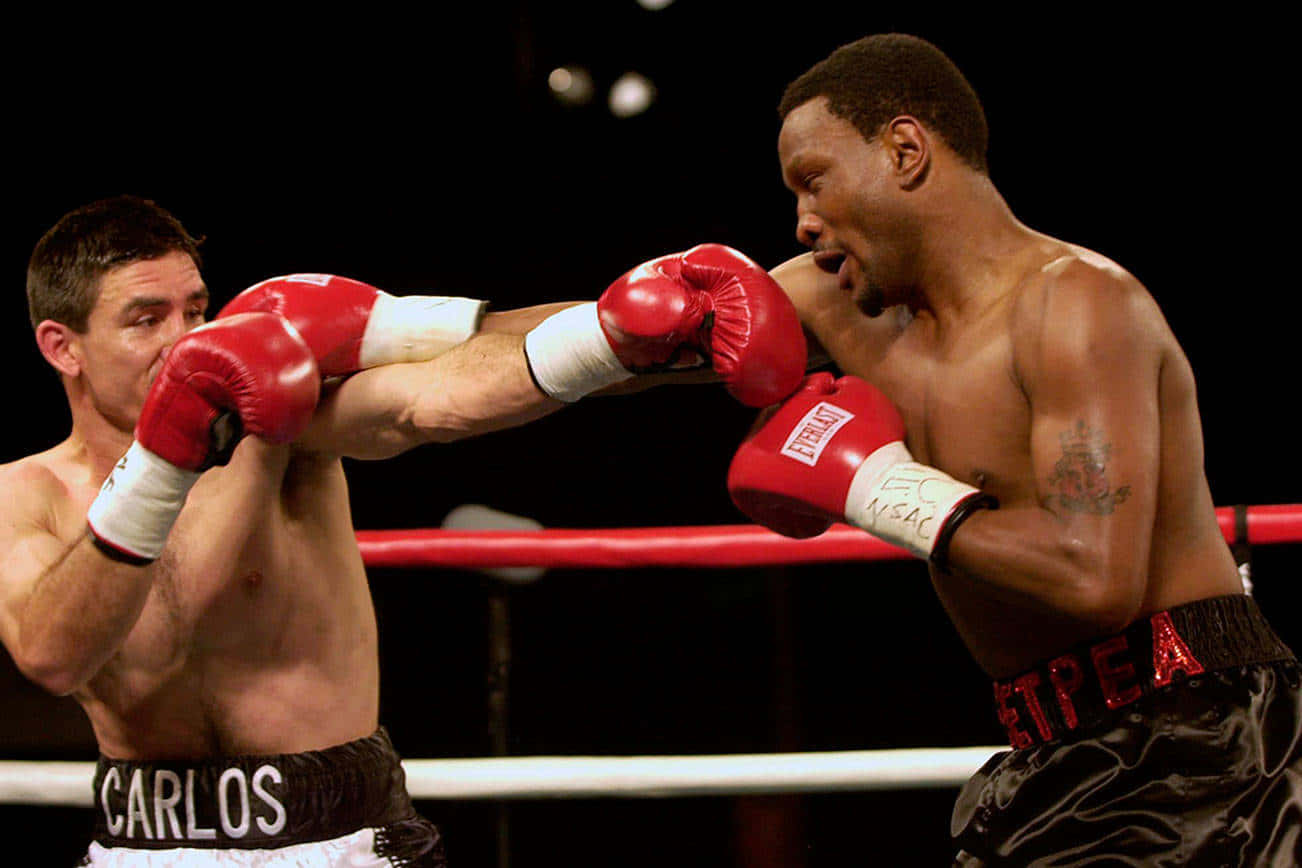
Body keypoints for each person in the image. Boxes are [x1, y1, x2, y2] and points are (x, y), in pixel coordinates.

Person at [0, 195, 805, 866]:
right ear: (60, 347)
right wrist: (165, 454)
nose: (186, 341)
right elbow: (52, 652)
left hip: (340, 833)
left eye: (197, 310)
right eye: (147, 320)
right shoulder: (22, 495)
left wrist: (605, 340)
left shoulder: (275, 423)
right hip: (146, 840)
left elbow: (430, 397)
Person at [719, 33, 1302, 866]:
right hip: (1048, 753)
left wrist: (875, 486)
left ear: (906, 150)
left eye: (814, 181)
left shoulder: (1075, 304)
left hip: (1201, 749)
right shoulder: (842, 295)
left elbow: (1093, 577)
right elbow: (644, 328)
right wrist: (494, 334)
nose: (802, 220)